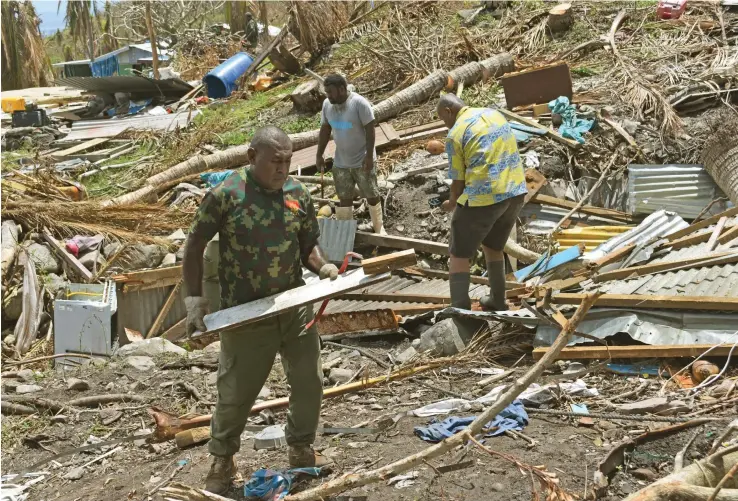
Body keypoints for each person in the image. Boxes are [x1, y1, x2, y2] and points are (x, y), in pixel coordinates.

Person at [182, 126, 338, 495]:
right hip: (245, 313)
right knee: (237, 391)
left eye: (287, 161)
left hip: (293, 305)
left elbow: (308, 246)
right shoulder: (227, 194)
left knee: (309, 381)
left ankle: (301, 448)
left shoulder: (298, 193)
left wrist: (325, 267)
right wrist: (194, 301)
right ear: (252, 157)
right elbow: (194, 244)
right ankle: (222, 461)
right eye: (275, 162)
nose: (282, 169)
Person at [436, 94, 528, 312]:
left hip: (484, 197)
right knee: (493, 246)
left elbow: (458, 181)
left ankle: (460, 310)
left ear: (449, 111)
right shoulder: (493, 114)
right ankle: (497, 300)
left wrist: (452, 203)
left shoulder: (456, 133)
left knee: (459, 253)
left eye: (443, 119)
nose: (445, 124)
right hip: (514, 191)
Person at [316, 73, 386, 234]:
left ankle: (379, 227)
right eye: (326, 92)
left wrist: (369, 156)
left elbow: (370, 130)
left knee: (371, 194)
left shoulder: (359, 103)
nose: (328, 96)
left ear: (342, 89)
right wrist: (319, 154)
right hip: (341, 162)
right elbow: (325, 130)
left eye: (330, 92)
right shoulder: (327, 105)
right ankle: (345, 232)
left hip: (362, 160)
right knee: (343, 197)